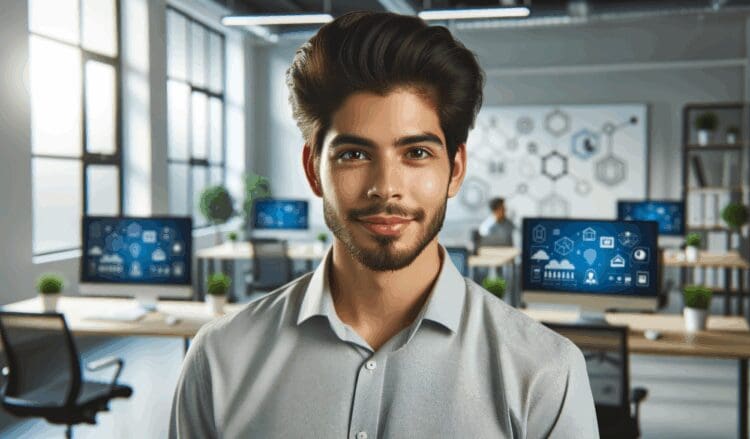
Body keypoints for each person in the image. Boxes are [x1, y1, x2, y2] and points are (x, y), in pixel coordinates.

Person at [170, 11, 597, 438]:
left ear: (455, 169)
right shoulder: (221, 357)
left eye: (416, 153)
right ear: (313, 170)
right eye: (354, 154)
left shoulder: (544, 373)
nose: (385, 188)